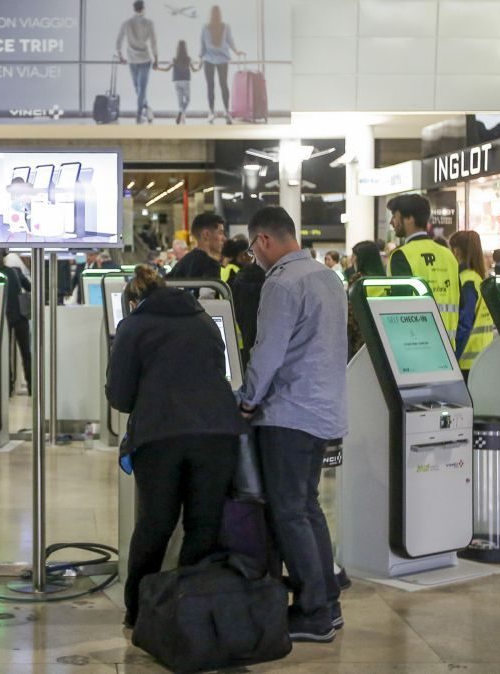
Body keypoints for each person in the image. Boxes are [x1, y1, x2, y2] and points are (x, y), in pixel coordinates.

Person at [106, 265, 244, 629]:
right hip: (218, 434)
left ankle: (139, 612)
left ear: (135, 300)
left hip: (160, 436)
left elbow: (119, 395)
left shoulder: (132, 326)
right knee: (203, 525)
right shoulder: (203, 321)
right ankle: (190, 607)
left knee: (156, 523)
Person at [238, 206, 347, 643]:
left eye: (252, 248)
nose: (254, 257)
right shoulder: (327, 277)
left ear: (263, 240)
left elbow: (267, 353)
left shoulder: (281, 283)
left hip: (289, 415)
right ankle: (329, 603)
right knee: (307, 507)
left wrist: (246, 401)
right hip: (323, 412)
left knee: (289, 512)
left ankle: (313, 612)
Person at [386, 194, 460, 349]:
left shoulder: (401, 256)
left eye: (395, 216)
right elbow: (462, 302)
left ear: (409, 218)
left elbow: (399, 306)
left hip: (417, 347)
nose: (391, 222)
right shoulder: (448, 255)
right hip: (449, 350)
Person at [449, 231, 494, 379]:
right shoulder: (479, 279)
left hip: (466, 362)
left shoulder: (466, 281)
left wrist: (452, 359)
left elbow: (464, 324)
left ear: (456, 251)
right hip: (483, 358)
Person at [0, 253, 32, 395]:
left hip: (4, 318)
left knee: (4, 353)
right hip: (21, 316)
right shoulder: (16, 271)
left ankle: (7, 387)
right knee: (26, 353)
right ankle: (31, 386)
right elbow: (30, 287)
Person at [200, 5, 244, 124]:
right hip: (221, 59)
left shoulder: (206, 27)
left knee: (211, 86)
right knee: (223, 85)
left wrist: (200, 58)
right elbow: (230, 40)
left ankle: (211, 112)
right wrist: (235, 51)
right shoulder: (224, 27)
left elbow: (202, 44)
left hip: (209, 59)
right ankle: (226, 112)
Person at [116, 0, 158, 125]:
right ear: (143, 8)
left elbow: (118, 42)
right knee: (141, 89)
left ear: (134, 9)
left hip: (132, 60)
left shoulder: (126, 23)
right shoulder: (149, 23)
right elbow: (153, 42)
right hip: (145, 59)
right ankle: (144, 111)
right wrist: (156, 59)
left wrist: (120, 57)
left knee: (138, 88)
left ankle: (141, 113)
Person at [346, 240, 385, 360]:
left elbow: (350, 315)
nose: (352, 260)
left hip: (360, 337)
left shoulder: (358, 281)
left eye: (355, 256)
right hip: (381, 335)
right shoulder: (386, 280)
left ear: (362, 258)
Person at [230, 241, 265, 368]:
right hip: (267, 346)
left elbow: (236, 309)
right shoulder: (276, 277)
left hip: (243, 342)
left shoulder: (241, 276)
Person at [167, 212, 225, 280]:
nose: (224, 238)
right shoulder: (211, 266)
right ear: (207, 235)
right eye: (220, 233)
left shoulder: (182, 264)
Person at [155, 40, 201, 124]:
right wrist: (200, 67)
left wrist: (158, 68)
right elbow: (194, 70)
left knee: (180, 102)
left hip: (177, 81)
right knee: (187, 100)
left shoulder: (174, 59)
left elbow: (167, 69)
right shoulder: (188, 59)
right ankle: (180, 113)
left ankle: (182, 116)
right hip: (186, 81)